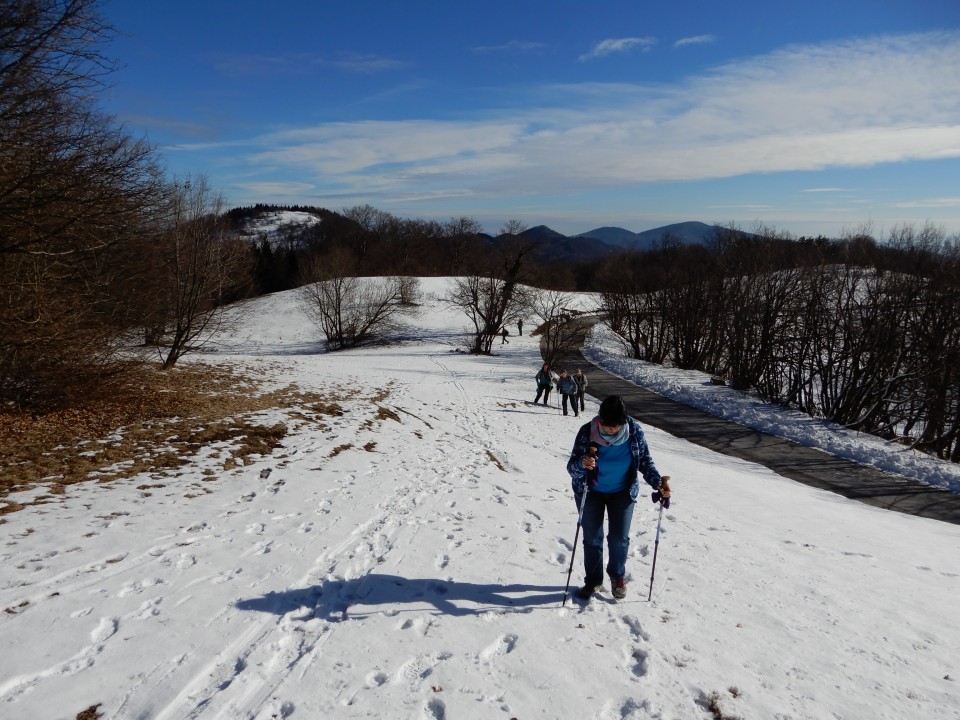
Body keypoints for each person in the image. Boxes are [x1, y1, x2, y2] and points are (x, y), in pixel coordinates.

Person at [566, 395, 670, 601]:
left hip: (622, 492)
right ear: (600, 419)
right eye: (607, 425)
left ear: (624, 421)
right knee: (592, 538)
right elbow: (571, 467)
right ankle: (593, 580)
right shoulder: (588, 432)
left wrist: (657, 482)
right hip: (591, 491)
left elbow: (645, 461)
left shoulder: (634, 432)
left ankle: (617, 576)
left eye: (616, 425)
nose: (611, 429)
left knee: (619, 538)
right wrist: (581, 464)